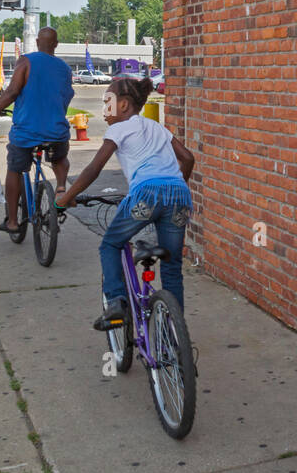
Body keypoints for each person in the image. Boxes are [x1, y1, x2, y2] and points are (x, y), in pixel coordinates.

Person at [57, 77, 195, 329]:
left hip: (146, 195)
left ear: (123, 105)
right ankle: (174, 334)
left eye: (107, 102)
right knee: (172, 266)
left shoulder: (119, 129)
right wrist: (175, 187)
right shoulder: (157, 127)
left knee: (110, 244)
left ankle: (116, 302)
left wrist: (65, 198)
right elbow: (187, 158)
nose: (104, 110)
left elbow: (94, 169)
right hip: (180, 197)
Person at [0, 27, 74, 234]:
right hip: (56, 131)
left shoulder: (26, 61)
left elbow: (11, 92)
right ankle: (61, 187)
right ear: (56, 44)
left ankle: (12, 221)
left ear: (38, 42)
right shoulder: (65, 68)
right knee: (59, 158)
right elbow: (66, 96)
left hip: (27, 131)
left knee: (16, 169)